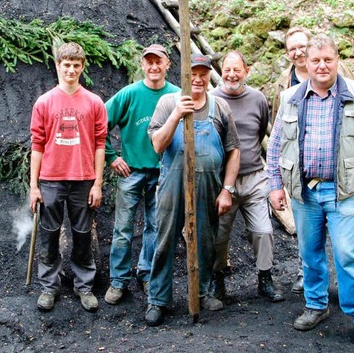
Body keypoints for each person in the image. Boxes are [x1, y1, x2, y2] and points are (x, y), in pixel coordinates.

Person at [267, 34, 354, 352]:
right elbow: (276, 144)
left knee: (348, 255)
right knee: (310, 254)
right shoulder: (291, 96)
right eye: (315, 60)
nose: (321, 66)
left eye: (328, 59)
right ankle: (317, 305)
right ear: (305, 63)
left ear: (337, 60)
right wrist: (275, 185)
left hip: (344, 192)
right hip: (304, 193)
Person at [144, 54, 241, 326]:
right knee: (164, 241)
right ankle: (158, 299)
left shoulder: (220, 107)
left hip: (208, 186)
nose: (197, 79)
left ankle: (201, 292)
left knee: (204, 240)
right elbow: (158, 145)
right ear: (184, 75)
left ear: (209, 76)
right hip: (173, 185)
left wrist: (227, 190)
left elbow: (234, 151)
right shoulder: (167, 102)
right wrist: (177, 114)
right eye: (192, 73)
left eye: (203, 74)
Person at [272, 27, 354, 294]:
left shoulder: (338, 76)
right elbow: (276, 129)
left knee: (345, 246)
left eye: (301, 46)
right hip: (303, 176)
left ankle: (352, 297)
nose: (297, 52)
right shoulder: (283, 86)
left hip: (338, 176)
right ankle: (309, 284)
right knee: (308, 239)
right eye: (292, 49)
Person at [29, 42, 108, 313]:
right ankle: (49, 287)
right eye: (67, 65)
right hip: (51, 178)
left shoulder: (94, 102)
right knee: (49, 234)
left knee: (83, 234)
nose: (71, 70)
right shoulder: (45, 102)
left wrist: (98, 183)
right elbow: (37, 145)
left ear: (82, 67)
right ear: (58, 66)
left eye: (76, 65)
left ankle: (83, 286)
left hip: (83, 178)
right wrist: (33, 186)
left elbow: (100, 144)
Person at [103, 44, 180, 305]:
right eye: (149, 62)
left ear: (168, 64)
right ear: (142, 64)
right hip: (132, 172)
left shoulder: (177, 96)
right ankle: (118, 280)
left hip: (165, 174)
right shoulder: (129, 94)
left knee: (156, 227)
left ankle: (147, 273)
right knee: (123, 228)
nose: (154, 67)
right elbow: (98, 122)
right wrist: (112, 157)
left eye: (159, 62)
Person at [209, 51, 284, 303]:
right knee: (219, 234)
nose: (231, 75)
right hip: (221, 181)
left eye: (236, 70)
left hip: (254, 176)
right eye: (226, 70)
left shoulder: (258, 99)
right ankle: (217, 279)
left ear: (246, 71)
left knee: (263, 231)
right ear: (221, 72)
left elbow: (261, 129)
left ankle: (265, 278)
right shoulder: (211, 100)